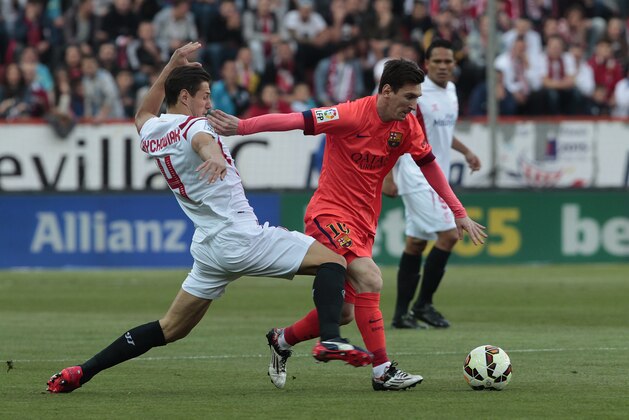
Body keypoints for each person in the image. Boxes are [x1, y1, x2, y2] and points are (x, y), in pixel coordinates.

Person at [46, 42, 371, 394]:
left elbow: (142, 112)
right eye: (204, 96)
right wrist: (213, 154)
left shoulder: (153, 132)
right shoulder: (194, 127)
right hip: (241, 237)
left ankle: (82, 371)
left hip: (209, 246)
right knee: (334, 261)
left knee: (171, 328)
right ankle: (332, 340)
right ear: (185, 97)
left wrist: (170, 64)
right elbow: (202, 140)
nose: (208, 103)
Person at [208, 58, 487, 391]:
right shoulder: (350, 114)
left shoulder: (407, 126)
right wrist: (241, 127)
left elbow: (430, 166)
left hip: (364, 222)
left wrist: (457, 210)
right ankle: (383, 371)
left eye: (417, 97)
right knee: (371, 276)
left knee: (344, 314)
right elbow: (294, 120)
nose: (415, 105)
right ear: (386, 91)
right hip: (329, 214)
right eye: (409, 97)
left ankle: (282, 339)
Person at [382, 39, 481, 330]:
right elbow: (393, 129)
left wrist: (465, 152)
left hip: (436, 173)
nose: (442, 66)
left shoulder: (450, 92)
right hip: (416, 172)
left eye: (448, 61)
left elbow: (443, 132)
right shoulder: (418, 97)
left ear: (454, 64)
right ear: (427, 64)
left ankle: (401, 315)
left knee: (416, 243)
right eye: (436, 61)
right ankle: (423, 304)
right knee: (449, 236)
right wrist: (388, 175)